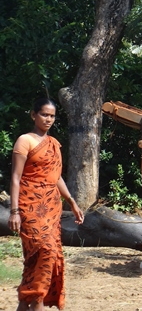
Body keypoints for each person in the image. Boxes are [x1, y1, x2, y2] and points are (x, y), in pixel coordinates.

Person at [8, 98, 85, 311]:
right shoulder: (25, 141)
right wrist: (14, 211)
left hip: (51, 207)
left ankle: (27, 302)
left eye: (52, 116)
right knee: (44, 250)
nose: (48, 119)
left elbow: (56, 177)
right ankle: (37, 303)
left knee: (45, 256)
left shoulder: (54, 143)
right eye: (44, 114)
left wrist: (71, 201)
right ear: (34, 115)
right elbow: (15, 177)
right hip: (29, 205)